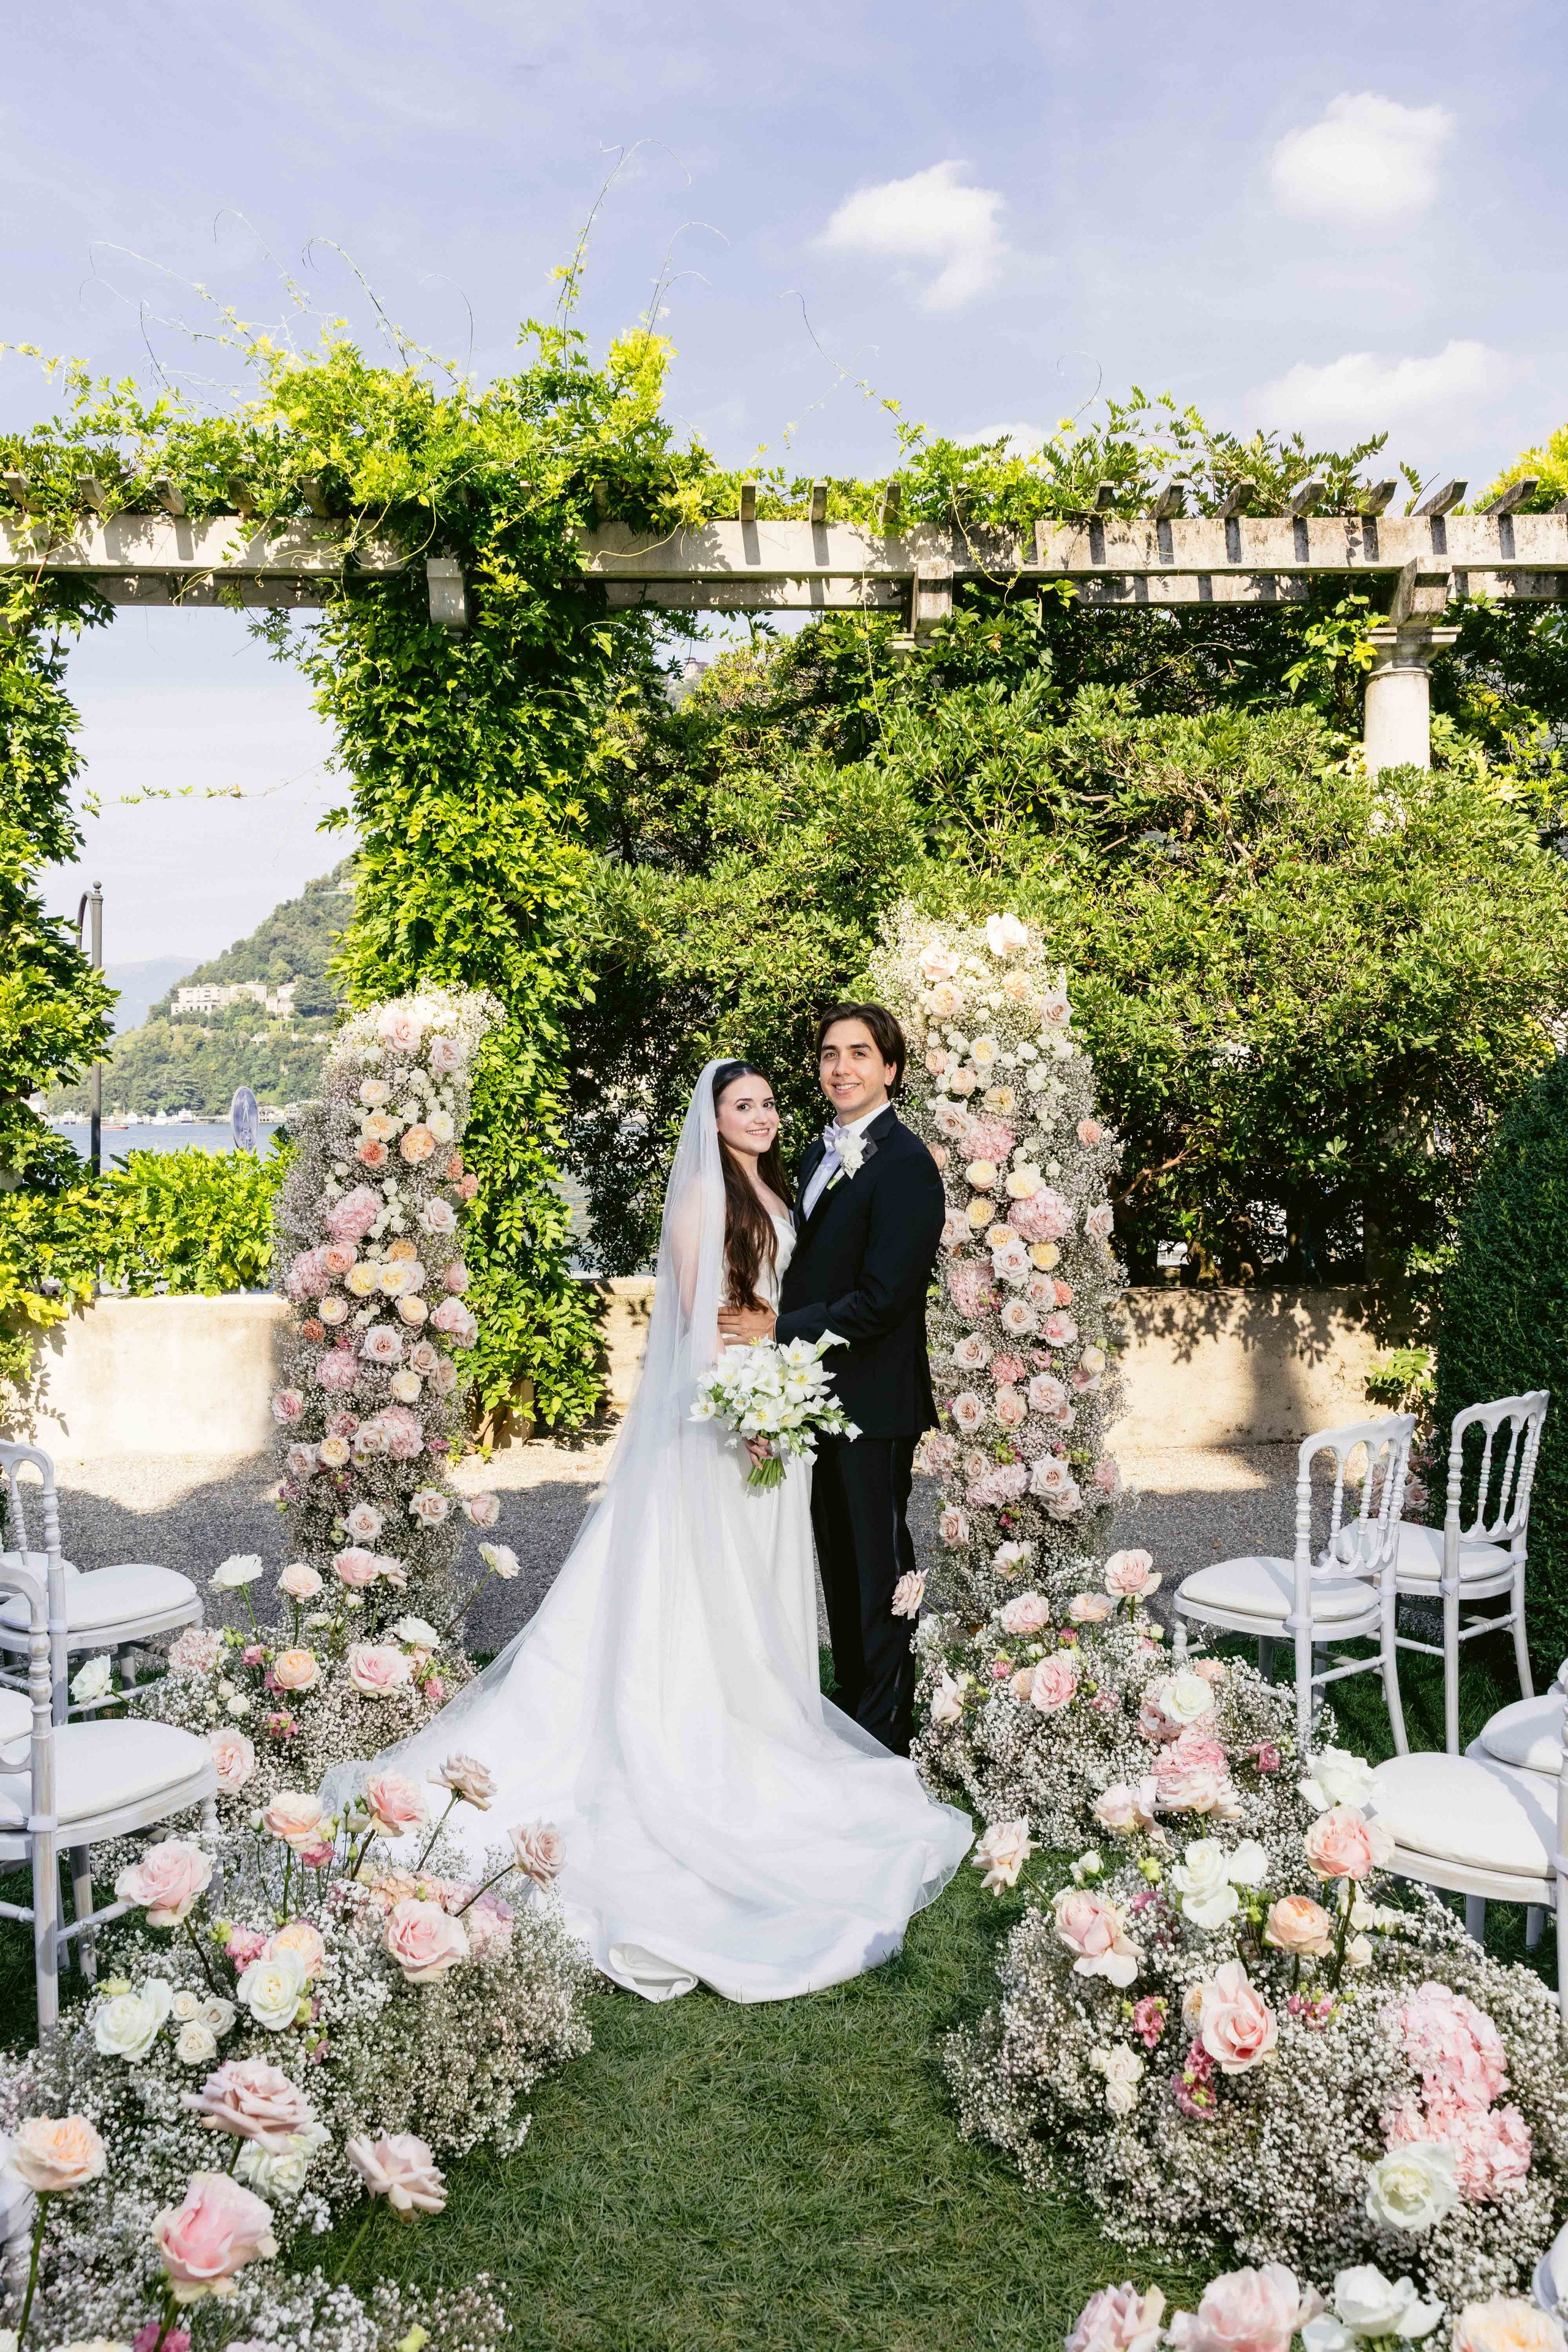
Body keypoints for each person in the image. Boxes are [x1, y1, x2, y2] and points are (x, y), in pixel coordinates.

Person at [328, 1057, 970, 2004]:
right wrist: (748, 1409)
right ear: (713, 1120)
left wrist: (781, 1392)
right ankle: (698, 1736)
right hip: (725, 1429)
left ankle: (768, 1722)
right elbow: (695, 1329)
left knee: (761, 1589)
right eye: (743, 1105)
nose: (762, 1115)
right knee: (699, 1592)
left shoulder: (786, 1182)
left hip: (776, 1420)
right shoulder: (704, 1201)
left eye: (768, 1102)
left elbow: (786, 1307)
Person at [718, 1005, 944, 1757]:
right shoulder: (817, 1153)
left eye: (859, 1053)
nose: (841, 1067)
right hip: (815, 1400)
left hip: (872, 1405)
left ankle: (885, 1741)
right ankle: (855, 1721)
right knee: (841, 1577)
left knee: (877, 1579)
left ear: (891, 1068)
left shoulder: (906, 1164)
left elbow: (884, 1300)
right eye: (828, 1054)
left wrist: (776, 1329)